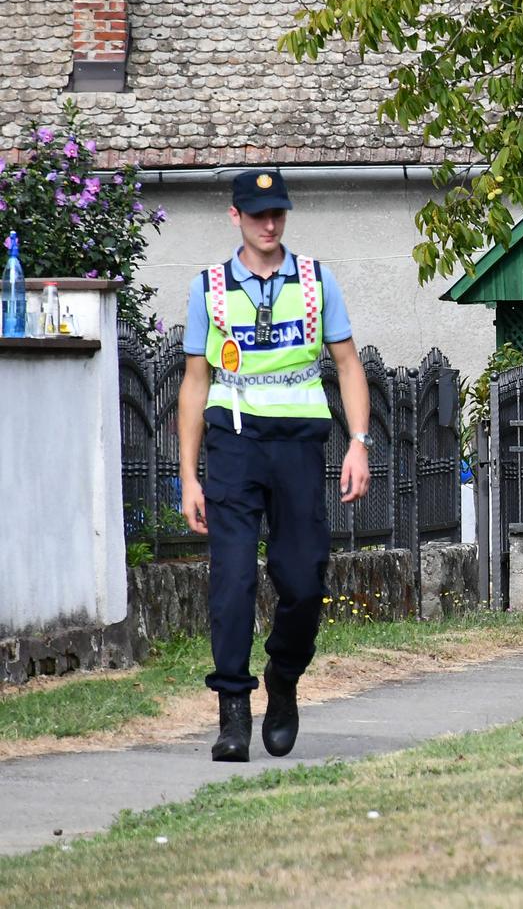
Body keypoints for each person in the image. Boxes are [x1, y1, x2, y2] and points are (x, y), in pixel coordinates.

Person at [177, 169, 371, 762]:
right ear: (235, 216)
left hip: (299, 450)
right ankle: (233, 712)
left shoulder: (316, 280)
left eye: (278, 213)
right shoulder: (208, 288)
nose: (270, 224)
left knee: (305, 579)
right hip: (233, 449)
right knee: (231, 582)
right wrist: (189, 475)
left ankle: (282, 678)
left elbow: (347, 363)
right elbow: (194, 383)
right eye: (258, 214)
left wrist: (358, 442)